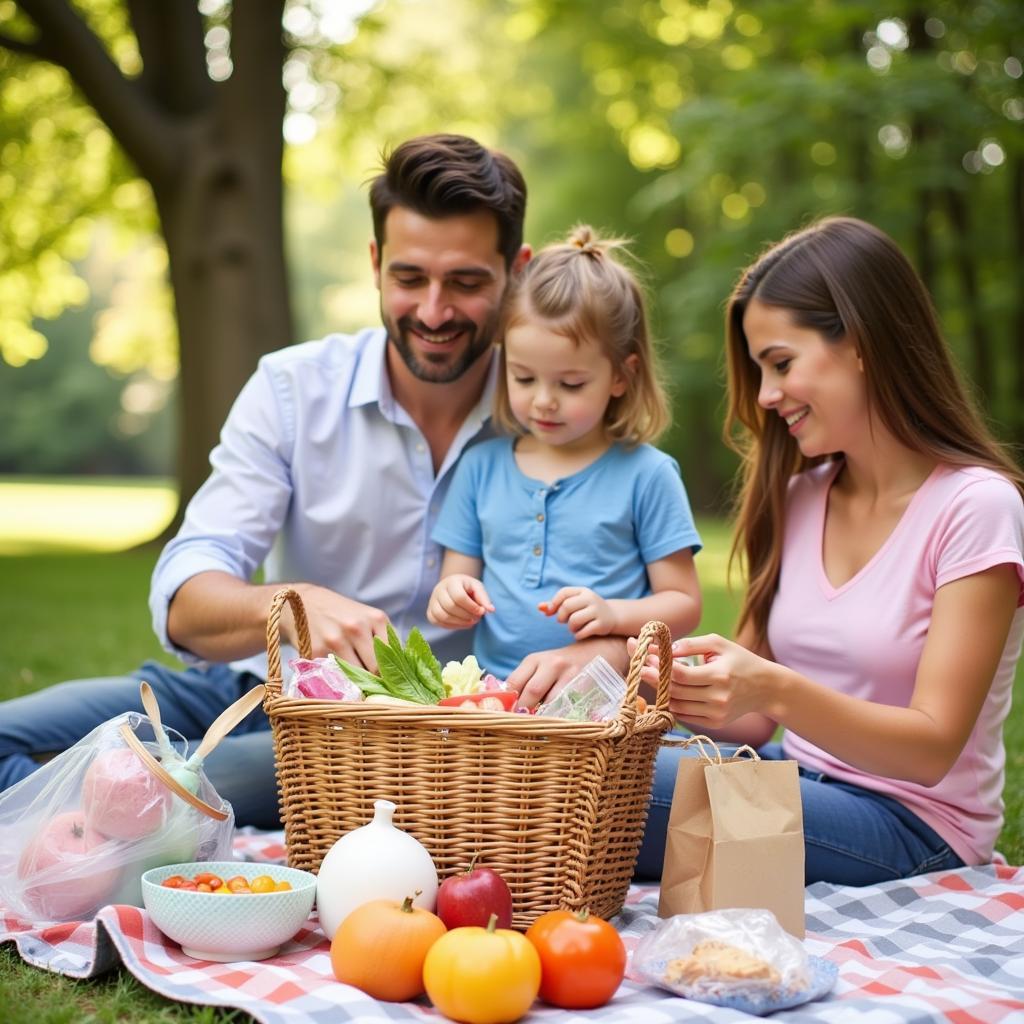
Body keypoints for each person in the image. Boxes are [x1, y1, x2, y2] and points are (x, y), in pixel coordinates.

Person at [0, 135, 620, 827]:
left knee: (178, 790)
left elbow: (644, 597)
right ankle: (83, 833)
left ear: (516, 271)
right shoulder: (294, 390)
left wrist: (604, 647)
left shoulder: (561, 406)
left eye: (468, 283)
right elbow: (185, 594)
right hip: (258, 694)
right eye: (411, 278)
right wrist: (291, 602)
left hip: (462, 741)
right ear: (376, 263)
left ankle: (128, 818)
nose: (436, 311)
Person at [635, 216, 1024, 885]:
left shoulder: (976, 508)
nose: (764, 396)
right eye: (761, 372)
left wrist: (776, 689)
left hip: (912, 828)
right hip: (795, 776)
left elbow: (932, 747)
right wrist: (653, 687)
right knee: (590, 755)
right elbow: (754, 720)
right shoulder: (799, 495)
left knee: (625, 791)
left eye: (781, 364)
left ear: (863, 342)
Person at [427, 226, 702, 694]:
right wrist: (450, 596)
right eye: (524, 377)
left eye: (570, 384)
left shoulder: (647, 474)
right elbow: (456, 577)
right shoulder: (481, 468)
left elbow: (684, 603)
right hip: (498, 696)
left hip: (606, 705)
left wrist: (616, 615)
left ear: (621, 375)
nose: (543, 401)